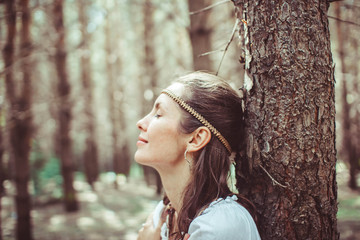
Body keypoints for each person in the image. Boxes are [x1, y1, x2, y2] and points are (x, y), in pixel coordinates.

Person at [135, 72, 261, 240]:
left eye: (158, 114)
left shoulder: (221, 226)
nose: (141, 123)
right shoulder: (164, 213)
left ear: (196, 139)